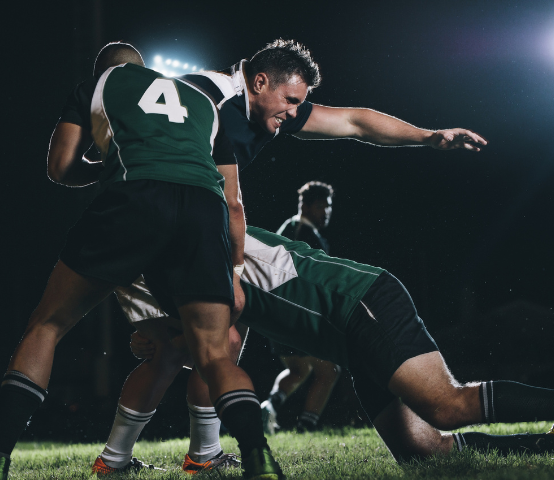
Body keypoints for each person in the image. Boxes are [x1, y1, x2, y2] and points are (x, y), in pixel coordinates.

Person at [96, 38, 488, 474]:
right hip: (158, 228)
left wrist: (429, 137)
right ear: (259, 81)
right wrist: (234, 272)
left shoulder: (255, 102)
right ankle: (117, 459)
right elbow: (230, 204)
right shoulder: (215, 101)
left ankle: (197, 454)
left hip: (184, 229)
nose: (294, 111)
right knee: (174, 348)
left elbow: (355, 121)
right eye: (289, 101)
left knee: (221, 340)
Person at [0, 42, 284, 480]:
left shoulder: (97, 86)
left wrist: (107, 168)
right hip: (202, 206)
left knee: (47, 325)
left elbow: (60, 167)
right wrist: (232, 269)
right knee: (215, 352)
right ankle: (259, 460)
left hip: (136, 195)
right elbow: (231, 199)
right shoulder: (201, 99)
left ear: (103, 70)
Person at [130, 225, 554, 464]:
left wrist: (171, 339)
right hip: (347, 340)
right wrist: (163, 338)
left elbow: (224, 325)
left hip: (360, 302)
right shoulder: (171, 264)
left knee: (447, 405)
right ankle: (543, 444)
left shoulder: (203, 237)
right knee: (424, 452)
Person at [261, 181, 341, 434]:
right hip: (298, 316)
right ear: (304, 206)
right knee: (329, 371)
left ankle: (269, 408)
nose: (325, 212)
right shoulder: (302, 234)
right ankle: (307, 427)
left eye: (328, 207)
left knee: (298, 370)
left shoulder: (288, 229)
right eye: (320, 206)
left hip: (279, 316)